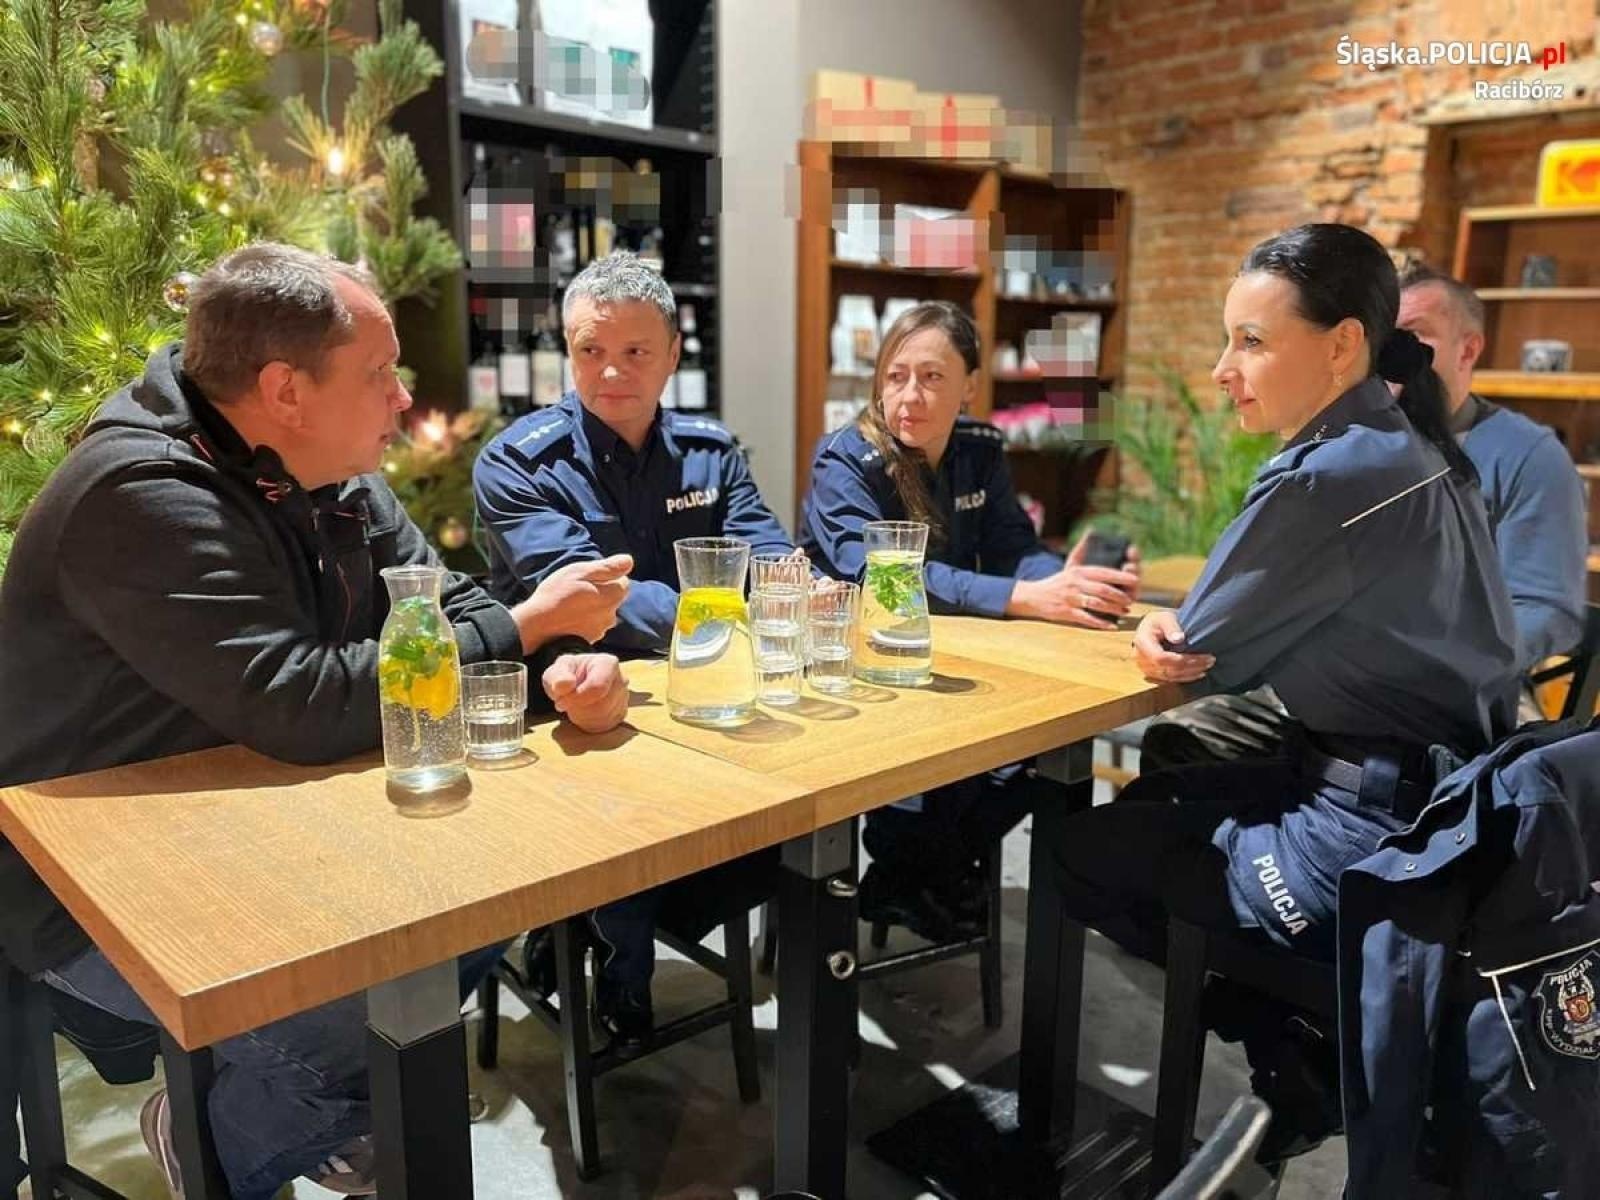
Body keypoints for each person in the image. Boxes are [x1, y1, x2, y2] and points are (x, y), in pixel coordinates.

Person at [0, 243, 631, 1200]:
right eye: (379, 374)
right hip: (86, 885)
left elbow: (447, 610)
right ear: (285, 389)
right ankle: (233, 1144)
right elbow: (295, 702)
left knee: (487, 902)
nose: (402, 401)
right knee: (359, 1018)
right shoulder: (138, 493)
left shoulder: (334, 472)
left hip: (255, 822)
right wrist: (527, 622)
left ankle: (277, 1115)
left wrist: (557, 671)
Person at [1048, 224, 1519, 1161]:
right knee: (1159, 800)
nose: (1225, 369)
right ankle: (1300, 1042)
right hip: (1451, 812)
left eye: (1252, 342)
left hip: (1373, 836)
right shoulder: (1417, 446)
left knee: (1075, 847)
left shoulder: (1328, 477)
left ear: (1342, 345)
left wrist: (1153, 630)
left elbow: (1197, 648)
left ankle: (1296, 1052)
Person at [474, 251, 793, 1054]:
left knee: (806, 793)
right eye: (590, 350)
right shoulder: (519, 460)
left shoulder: (712, 454)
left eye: (635, 352)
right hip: (568, 710)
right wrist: (720, 605)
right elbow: (583, 606)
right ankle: (615, 967)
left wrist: (735, 603)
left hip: (708, 694)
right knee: (622, 812)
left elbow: (777, 565)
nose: (611, 370)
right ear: (567, 350)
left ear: (674, 355)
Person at [1139, 260, 1588, 769]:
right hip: (1332, 681)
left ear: (1469, 349)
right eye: (1386, 338)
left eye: (1415, 337)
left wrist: (1442, 649)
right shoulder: (1350, 451)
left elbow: (1548, 605)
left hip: (1469, 696)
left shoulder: (1524, 454)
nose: (1393, 355)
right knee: (1186, 733)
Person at [802, 300, 1142, 940]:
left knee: (1042, 755)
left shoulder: (980, 449)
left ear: (969, 386)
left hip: (961, 654)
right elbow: (880, 576)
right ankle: (915, 871)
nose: (910, 395)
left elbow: (1014, 547)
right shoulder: (845, 460)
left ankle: (914, 876)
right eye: (896, 375)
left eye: (932, 377)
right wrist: (1021, 597)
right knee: (965, 759)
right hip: (864, 667)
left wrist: (1064, 577)